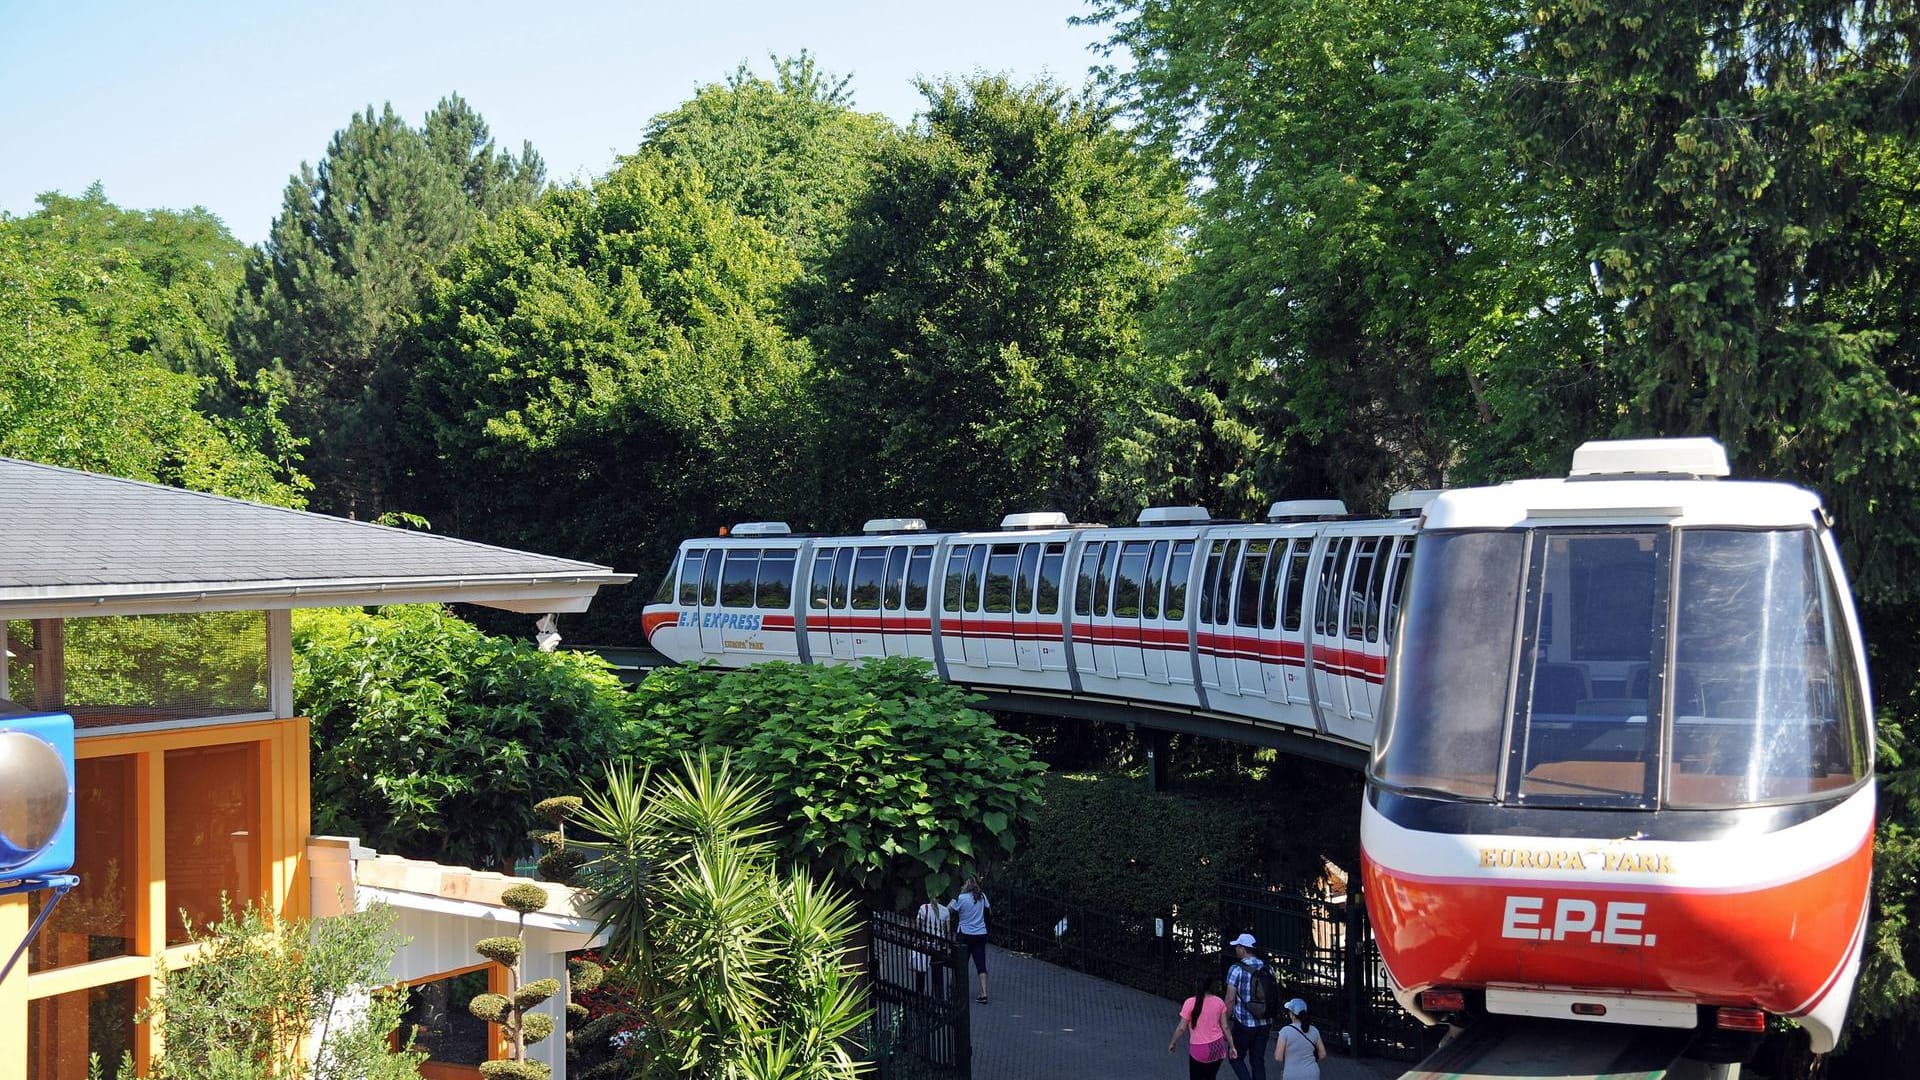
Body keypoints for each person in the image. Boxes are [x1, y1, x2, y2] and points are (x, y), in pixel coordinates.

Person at [1222, 933, 1273, 1080]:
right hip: (1265, 1023)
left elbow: (1230, 999)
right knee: (1258, 1061)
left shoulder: (1236, 969)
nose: (1236, 949)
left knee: (1235, 1056)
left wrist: (1224, 1021)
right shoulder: (1268, 968)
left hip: (1244, 1024)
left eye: (1237, 946)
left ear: (1243, 949)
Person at [1169, 972, 1238, 1079]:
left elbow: (1181, 1028)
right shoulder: (1219, 1002)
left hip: (1199, 1049)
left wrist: (1173, 1043)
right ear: (1211, 986)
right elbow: (1225, 1027)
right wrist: (1232, 1046)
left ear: (1196, 985)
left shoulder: (1190, 1003)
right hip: (1218, 1047)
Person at [949, 875, 991, 1003]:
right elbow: (989, 910)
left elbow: (949, 910)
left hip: (964, 934)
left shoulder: (961, 898)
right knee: (981, 964)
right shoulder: (982, 896)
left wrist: (953, 900)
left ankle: (957, 991)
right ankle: (984, 993)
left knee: (960, 963)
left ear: (966, 884)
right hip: (980, 934)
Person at [1272, 997, 1327, 1079]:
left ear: (1292, 1015)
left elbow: (1278, 1057)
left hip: (1292, 1074)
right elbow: (1323, 1054)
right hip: (1312, 1073)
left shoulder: (1285, 1031)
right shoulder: (1314, 1030)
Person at [911, 896, 951, 996]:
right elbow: (948, 930)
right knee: (937, 971)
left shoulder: (924, 908)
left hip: (926, 943)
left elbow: (918, 925)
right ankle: (938, 995)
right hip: (938, 945)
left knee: (921, 970)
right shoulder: (945, 910)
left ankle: (920, 993)